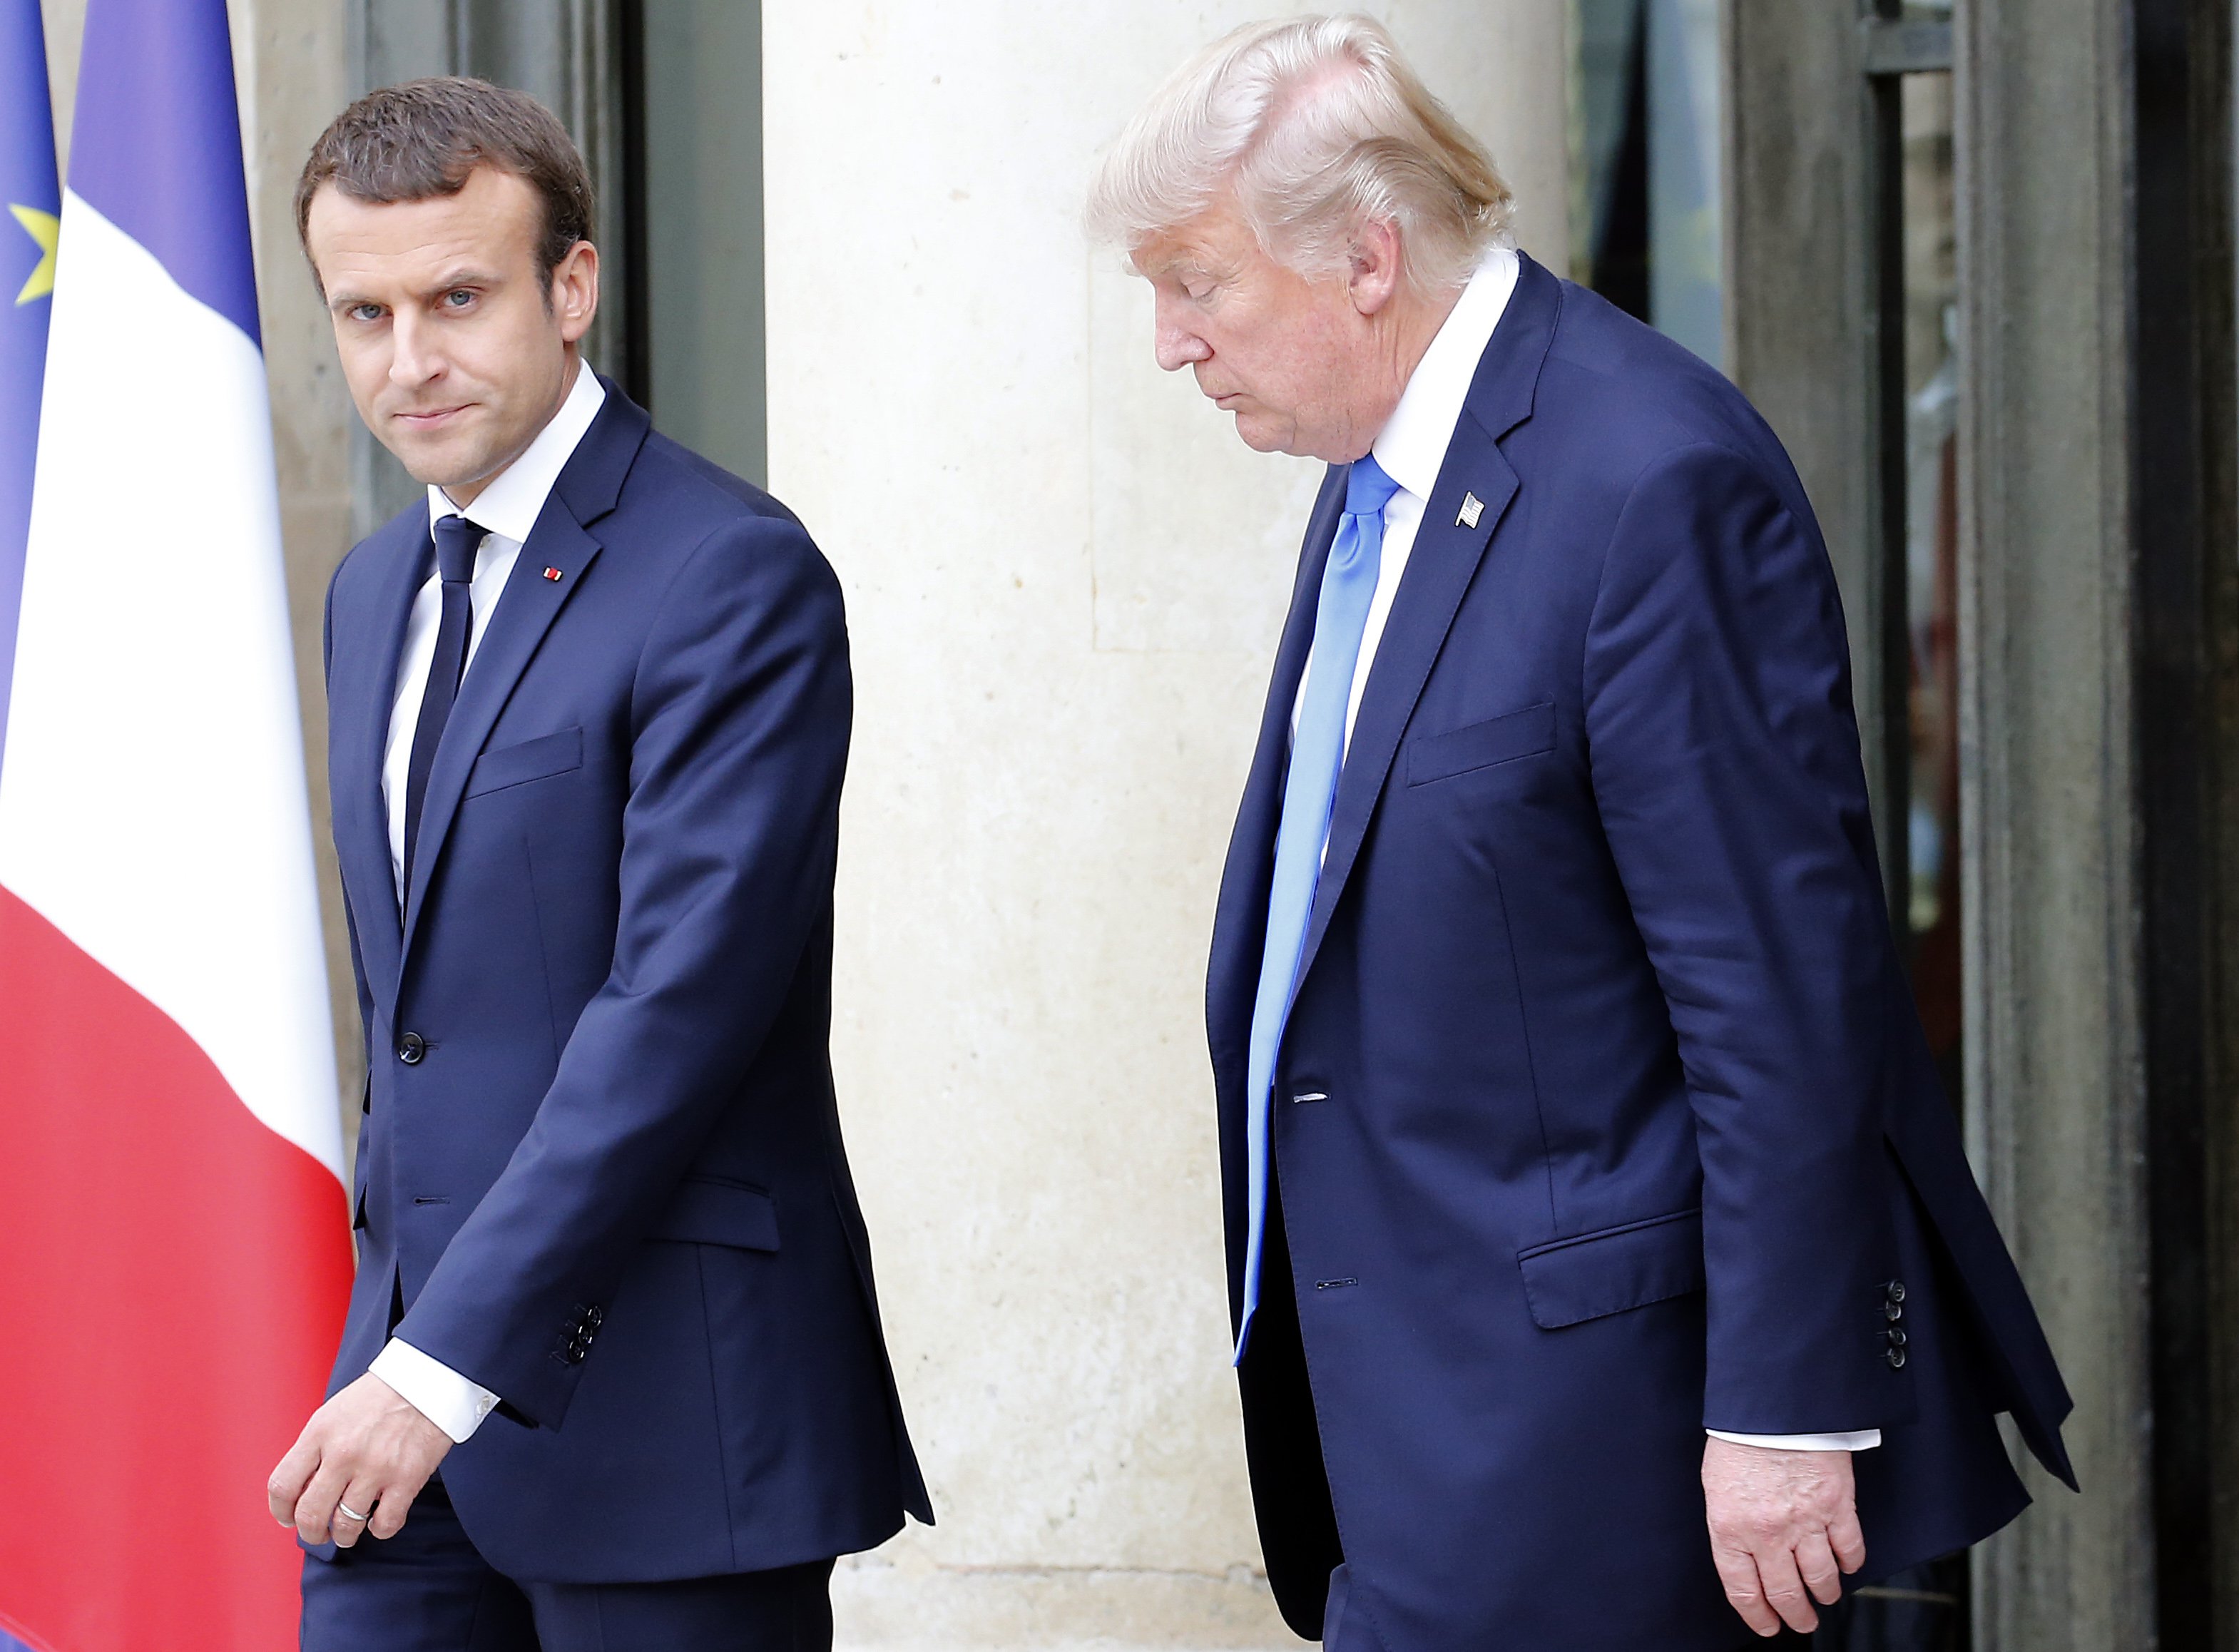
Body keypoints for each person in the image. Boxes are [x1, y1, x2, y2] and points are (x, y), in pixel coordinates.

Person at [1088, 17, 2073, 1650]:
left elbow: (1778, 997)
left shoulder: (1650, 480)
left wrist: (1781, 1411)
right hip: (1410, 1428)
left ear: (1365, 259)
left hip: (1592, 1458)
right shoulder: (1377, 465)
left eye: (1198, 284)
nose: (1174, 344)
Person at [267, 78, 930, 1650]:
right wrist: (397, 1356)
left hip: (666, 1426)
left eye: (456, 297)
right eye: (363, 313)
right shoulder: (374, 592)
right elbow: (423, 1025)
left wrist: (432, 1375)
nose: (408, 359)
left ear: (571, 288)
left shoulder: (729, 576)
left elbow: (676, 1012)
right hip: (407, 1429)